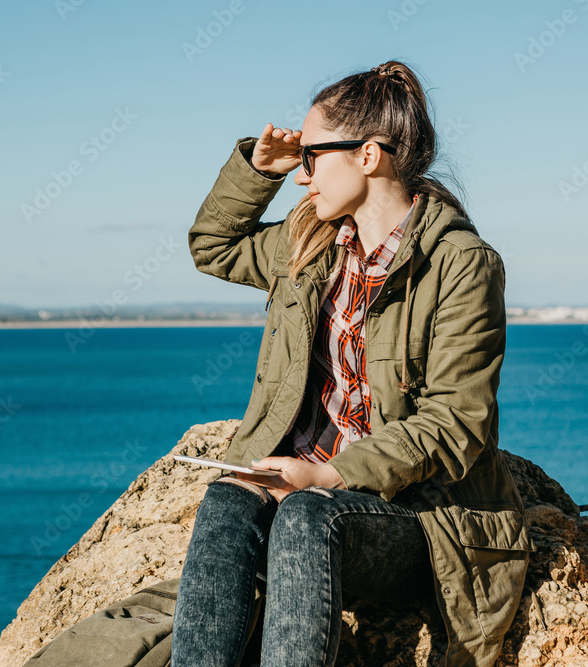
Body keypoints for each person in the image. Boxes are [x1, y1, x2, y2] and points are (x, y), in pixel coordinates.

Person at [173, 60, 536, 667]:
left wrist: (326, 476)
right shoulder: (309, 245)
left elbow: (457, 421)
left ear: (369, 155)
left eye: (312, 157)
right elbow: (214, 247)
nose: (302, 177)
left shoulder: (461, 264)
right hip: (305, 482)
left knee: (308, 519)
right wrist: (257, 169)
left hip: (420, 516)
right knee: (228, 502)